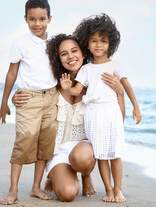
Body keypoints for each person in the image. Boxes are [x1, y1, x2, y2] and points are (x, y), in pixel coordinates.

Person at [11, 34, 125, 202]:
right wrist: (15, 99)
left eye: (74, 51)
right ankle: (56, 177)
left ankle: (86, 175)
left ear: (83, 53)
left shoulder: (96, 85)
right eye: (64, 54)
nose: (70, 56)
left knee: (82, 158)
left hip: (84, 148)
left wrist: (120, 91)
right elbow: (35, 101)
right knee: (67, 194)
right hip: (57, 151)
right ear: (59, 59)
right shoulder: (52, 85)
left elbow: (118, 118)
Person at [60, 13, 142, 203]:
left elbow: (126, 87)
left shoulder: (116, 65)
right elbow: (77, 90)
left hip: (112, 112)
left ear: (110, 44)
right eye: (94, 41)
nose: (98, 45)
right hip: (94, 114)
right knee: (101, 154)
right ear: (87, 44)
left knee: (115, 153)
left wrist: (136, 108)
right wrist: (67, 88)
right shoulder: (86, 69)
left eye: (103, 41)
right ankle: (108, 190)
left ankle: (118, 189)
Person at [0, 0, 58, 205]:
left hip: (52, 97)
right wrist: (5, 101)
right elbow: (11, 72)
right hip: (27, 98)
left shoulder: (54, 43)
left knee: (45, 144)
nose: (37, 24)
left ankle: (35, 187)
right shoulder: (20, 42)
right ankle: (13, 190)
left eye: (42, 19)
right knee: (24, 141)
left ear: (49, 18)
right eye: (32, 19)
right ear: (26, 19)